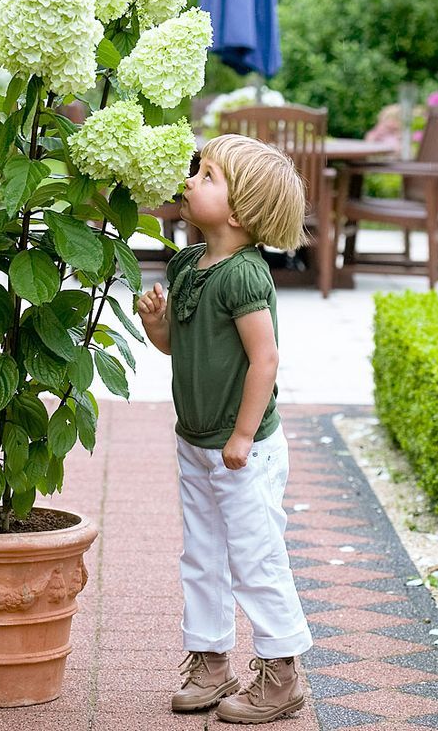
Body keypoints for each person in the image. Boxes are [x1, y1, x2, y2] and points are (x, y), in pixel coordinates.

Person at [138, 134, 314, 724]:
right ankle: (212, 660)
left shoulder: (244, 276)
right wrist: (158, 325)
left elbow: (264, 360)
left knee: (256, 557)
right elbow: (175, 348)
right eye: (196, 170)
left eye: (207, 175)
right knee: (203, 553)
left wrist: (241, 436)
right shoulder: (188, 264)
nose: (190, 179)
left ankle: (282, 671)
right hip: (195, 438)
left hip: (245, 449)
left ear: (238, 213)